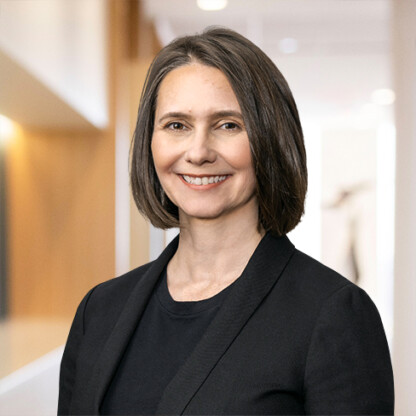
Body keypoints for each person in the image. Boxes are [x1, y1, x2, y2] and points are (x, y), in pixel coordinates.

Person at [58, 27, 394, 415]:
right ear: (150, 143)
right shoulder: (99, 311)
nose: (198, 152)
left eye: (228, 125)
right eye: (176, 125)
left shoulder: (334, 314)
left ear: (270, 139)